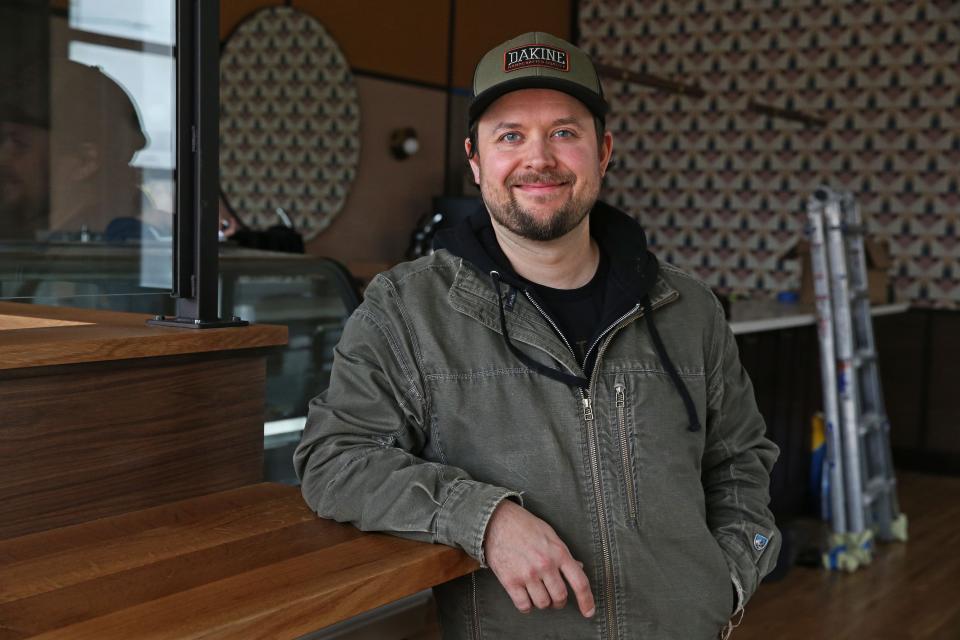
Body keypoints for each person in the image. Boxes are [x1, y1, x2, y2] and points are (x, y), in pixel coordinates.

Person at [295, 31, 780, 640]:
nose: (539, 158)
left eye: (564, 132)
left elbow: (740, 460)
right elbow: (333, 459)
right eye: (510, 136)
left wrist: (730, 579)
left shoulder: (689, 308)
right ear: (475, 159)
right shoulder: (406, 309)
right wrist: (484, 517)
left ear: (603, 151)